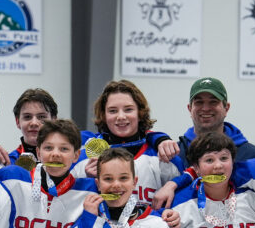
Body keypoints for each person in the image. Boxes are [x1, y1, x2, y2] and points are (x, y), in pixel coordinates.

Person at [75, 79, 181, 208]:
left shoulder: (162, 155)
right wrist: (90, 181)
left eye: (128, 109)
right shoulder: (85, 154)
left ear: (140, 113)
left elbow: (183, 202)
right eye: (113, 111)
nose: (121, 116)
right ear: (103, 115)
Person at [174, 77, 255, 165]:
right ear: (190, 108)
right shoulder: (173, 154)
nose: (205, 108)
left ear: (226, 108)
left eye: (213, 102)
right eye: (199, 102)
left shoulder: (252, 156)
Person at [8, 88, 59, 164]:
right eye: (27, 117)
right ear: (18, 122)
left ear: (54, 121)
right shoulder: (8, 163)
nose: (34, 123)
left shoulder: (68, 161)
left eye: (41, 117)